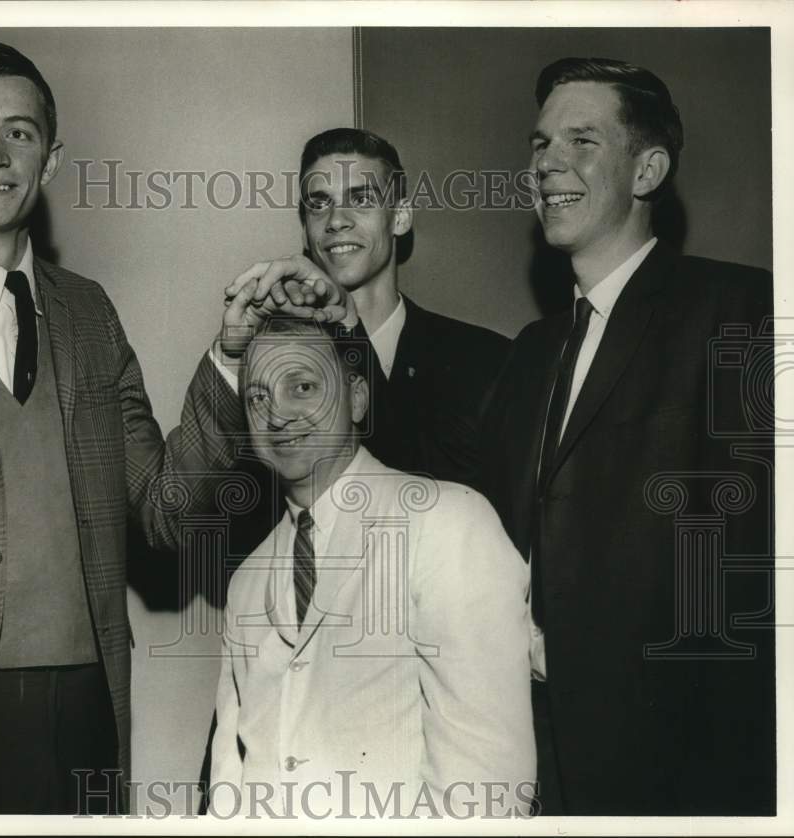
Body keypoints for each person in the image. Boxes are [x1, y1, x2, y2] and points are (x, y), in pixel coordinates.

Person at [0, 40, 335, 815]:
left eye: (17, 132)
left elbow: (166, 512)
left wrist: (230, 358)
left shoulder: (89, 313)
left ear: (50, 160)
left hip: (85, 712)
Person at [477, 57, 775, 815]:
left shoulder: (740, 312)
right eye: (540, 144)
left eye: (581, 141)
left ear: (648, 171)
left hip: (679, 769)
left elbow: (754, 569)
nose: (547, 165)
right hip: (531, 752)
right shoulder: (532, 352)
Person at [209, 317, 535, 818]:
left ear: (357, 398)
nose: (277, 414)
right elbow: (229, 781)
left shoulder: (444, 519)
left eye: (303, 386)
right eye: (258, 396)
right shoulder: (247, 581)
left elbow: (488, 783)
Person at [226, 127, 510, 485]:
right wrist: (230, 352)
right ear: (304, 230)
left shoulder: (484, 360)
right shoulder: (272, 364)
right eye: (319, 204)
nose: (336, 220)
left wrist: (350, 325)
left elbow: (429, 492)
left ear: (401, 217)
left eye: (361, 200)